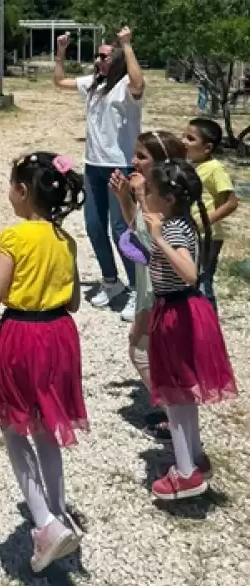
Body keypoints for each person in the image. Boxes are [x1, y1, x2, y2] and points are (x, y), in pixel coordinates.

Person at [0, 152, 88, 573]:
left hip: (22, 337)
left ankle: (44, 523)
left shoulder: (13, 238)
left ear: (23, 192)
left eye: (11, 186)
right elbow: (76, 301)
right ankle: (58, 512)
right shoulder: (66, 240)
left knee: (13, 428)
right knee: (47, 428)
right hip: (60, 335)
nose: (9, 193)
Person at [141, 159, 237, 500]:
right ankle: (194, 459)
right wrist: (135, 195)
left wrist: (158, 239)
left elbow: (189, 272)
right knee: (184, 394)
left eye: (149, 192)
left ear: (166, 198)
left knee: (176, 396)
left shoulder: (173, 229)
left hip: (178, 312)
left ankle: (185, 475)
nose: (146, 197)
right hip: (178, 310)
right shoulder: (177, 220)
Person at [54, 27, 144, 322]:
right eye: (97, 56)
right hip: (93, 165)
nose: (97, 60)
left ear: (117, 60)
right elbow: (59, 82)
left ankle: (139, 290)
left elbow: (138, 81)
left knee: (122, 230)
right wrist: (61, 52)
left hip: (120, 166)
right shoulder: (94, 83)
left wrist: (127, 45)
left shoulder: (126, 89)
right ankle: (111, 281)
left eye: (104, 56)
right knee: (94, 226)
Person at [110, 131, 187, 443]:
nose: (134, 161)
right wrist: (124, 200)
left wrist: (139, 197)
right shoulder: (154, 193)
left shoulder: (165, 202)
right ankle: (176, 415)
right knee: (154, 353)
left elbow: (158, 245)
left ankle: (177, 422)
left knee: (139, 350)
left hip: (159, 291)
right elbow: (137, 231)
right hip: (148, 287)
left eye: (142, 156)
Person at [182, 118, 239, 312]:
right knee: (187, 281)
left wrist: (202, 223)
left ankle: (209, 326)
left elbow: (231, 203)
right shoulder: (188, 165)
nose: (183, 141)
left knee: (202, 284)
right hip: (188, 234)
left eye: (190, 138)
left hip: (207, 237)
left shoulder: (215, 168)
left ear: (207, 148)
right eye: (183, 136)